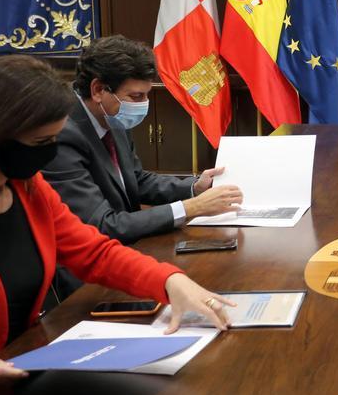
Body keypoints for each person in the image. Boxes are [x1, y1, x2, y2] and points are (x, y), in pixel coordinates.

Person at [0, 56, 235, 395]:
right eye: (41, 142)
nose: (51, 153)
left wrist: (170, 282)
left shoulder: (27, 188)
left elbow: (95, 253)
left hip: (15, 385)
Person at [43, 35, 242, 245]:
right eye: (137, 97)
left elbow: (135, 180)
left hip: (127, 248)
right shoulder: (59, 134)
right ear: (99, 90)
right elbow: (101, 225)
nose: (144, 105)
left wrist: (194, 189)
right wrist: (191, 208)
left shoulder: (112, 116)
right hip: (82, 264)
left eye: (147, 95)